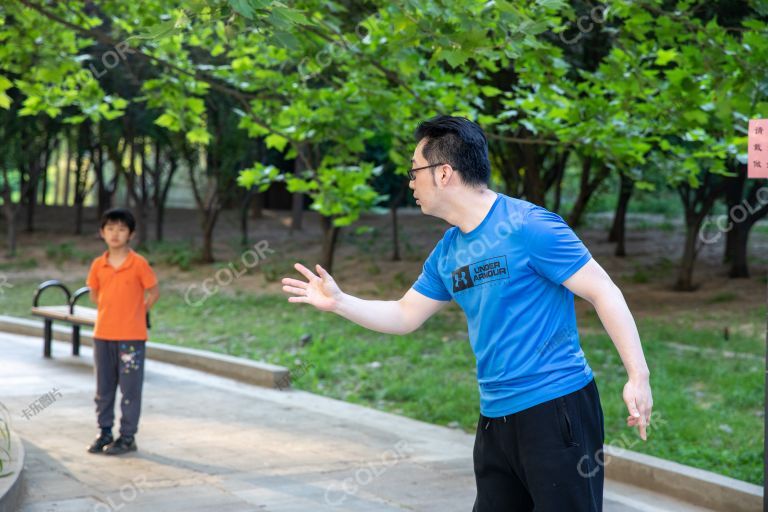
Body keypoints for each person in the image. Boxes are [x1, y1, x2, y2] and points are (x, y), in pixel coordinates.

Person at [281, 115, 652, 511]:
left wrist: (638, 376)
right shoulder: (449, 251)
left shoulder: (529, 226)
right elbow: (406, 315)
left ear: (443, 173)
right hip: (495, 417)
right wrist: (340, 302)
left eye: (413, 172)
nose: (410, 183)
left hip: (555, 409)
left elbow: (604, 291)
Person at [85, 208, 159, 455]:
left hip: (131, 338)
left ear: (131, 234)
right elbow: (95, 295)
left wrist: (137, 312)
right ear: (102, 232)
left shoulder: (138, 264)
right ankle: (104, 432)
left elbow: (153, 292)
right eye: (110, 228)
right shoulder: (98, 264)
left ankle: (127, 437)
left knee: (130, 389)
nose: (115, 234)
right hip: (102, 335)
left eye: (121, 229)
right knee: (103, 388)